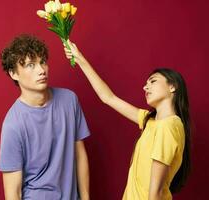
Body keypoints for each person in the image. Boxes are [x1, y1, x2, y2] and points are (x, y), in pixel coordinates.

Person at [64, 40, 191, 200]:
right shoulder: (149, 121)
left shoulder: (169, 126)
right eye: (145, 84)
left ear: (173, 87)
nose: (145, 87)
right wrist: (80, 58)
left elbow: (155, 193)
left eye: (152, 81)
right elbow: (108, 98)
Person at [0, 34, 90, 200]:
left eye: (43, 62)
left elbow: (80, 155)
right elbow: (13, 192)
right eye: (31, 65)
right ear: (13, 73)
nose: (41, 70)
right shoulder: (13, 124)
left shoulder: (69, 100)